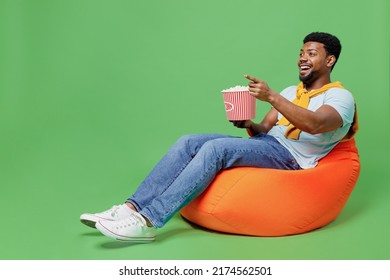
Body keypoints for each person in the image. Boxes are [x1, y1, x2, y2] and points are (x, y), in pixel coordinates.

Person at [80, 32, 356, 242]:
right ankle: (131, 208)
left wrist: (270, 96)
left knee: (215, 150)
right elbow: (265, 129)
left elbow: (316, 124)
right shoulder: (290, 92)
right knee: (189, 141)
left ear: (329, 60)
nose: (302, 59)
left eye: (311, 53)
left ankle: (148, 222)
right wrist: (247, 122)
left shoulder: (340, 97)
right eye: (300, 53)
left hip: (293, 159)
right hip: (268, 146)